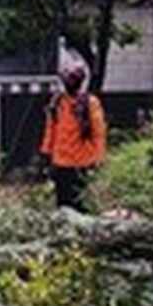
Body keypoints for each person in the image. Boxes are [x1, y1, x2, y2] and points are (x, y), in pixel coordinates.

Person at [40, 62, 107, 212]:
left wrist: (98, 158)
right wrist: (46, 154)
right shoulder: (57, 103)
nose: (69, 82)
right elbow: (50, 130)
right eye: (67, 78)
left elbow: (98, 133)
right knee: (63, 206)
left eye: (72, 78)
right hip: (61, 163)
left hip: (82, 163)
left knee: (80, 205)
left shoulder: (90, 103)